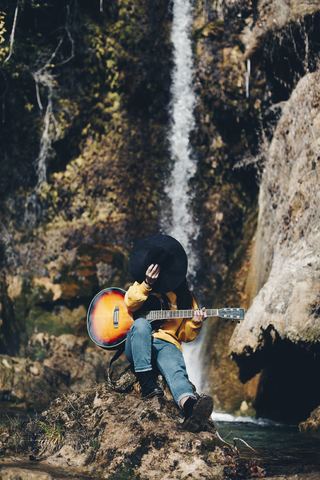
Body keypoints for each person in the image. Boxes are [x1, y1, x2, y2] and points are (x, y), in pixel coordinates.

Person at [124, 234, 214, 432]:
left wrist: (196, 323)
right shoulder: (142, 287)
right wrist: (147, 284)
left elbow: (184, 335)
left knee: (176, 369)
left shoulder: (185, 297)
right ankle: (147, 382)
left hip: (167, 343)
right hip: (138, 343)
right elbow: (130, 302)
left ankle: (190, 407)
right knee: (141, 325)